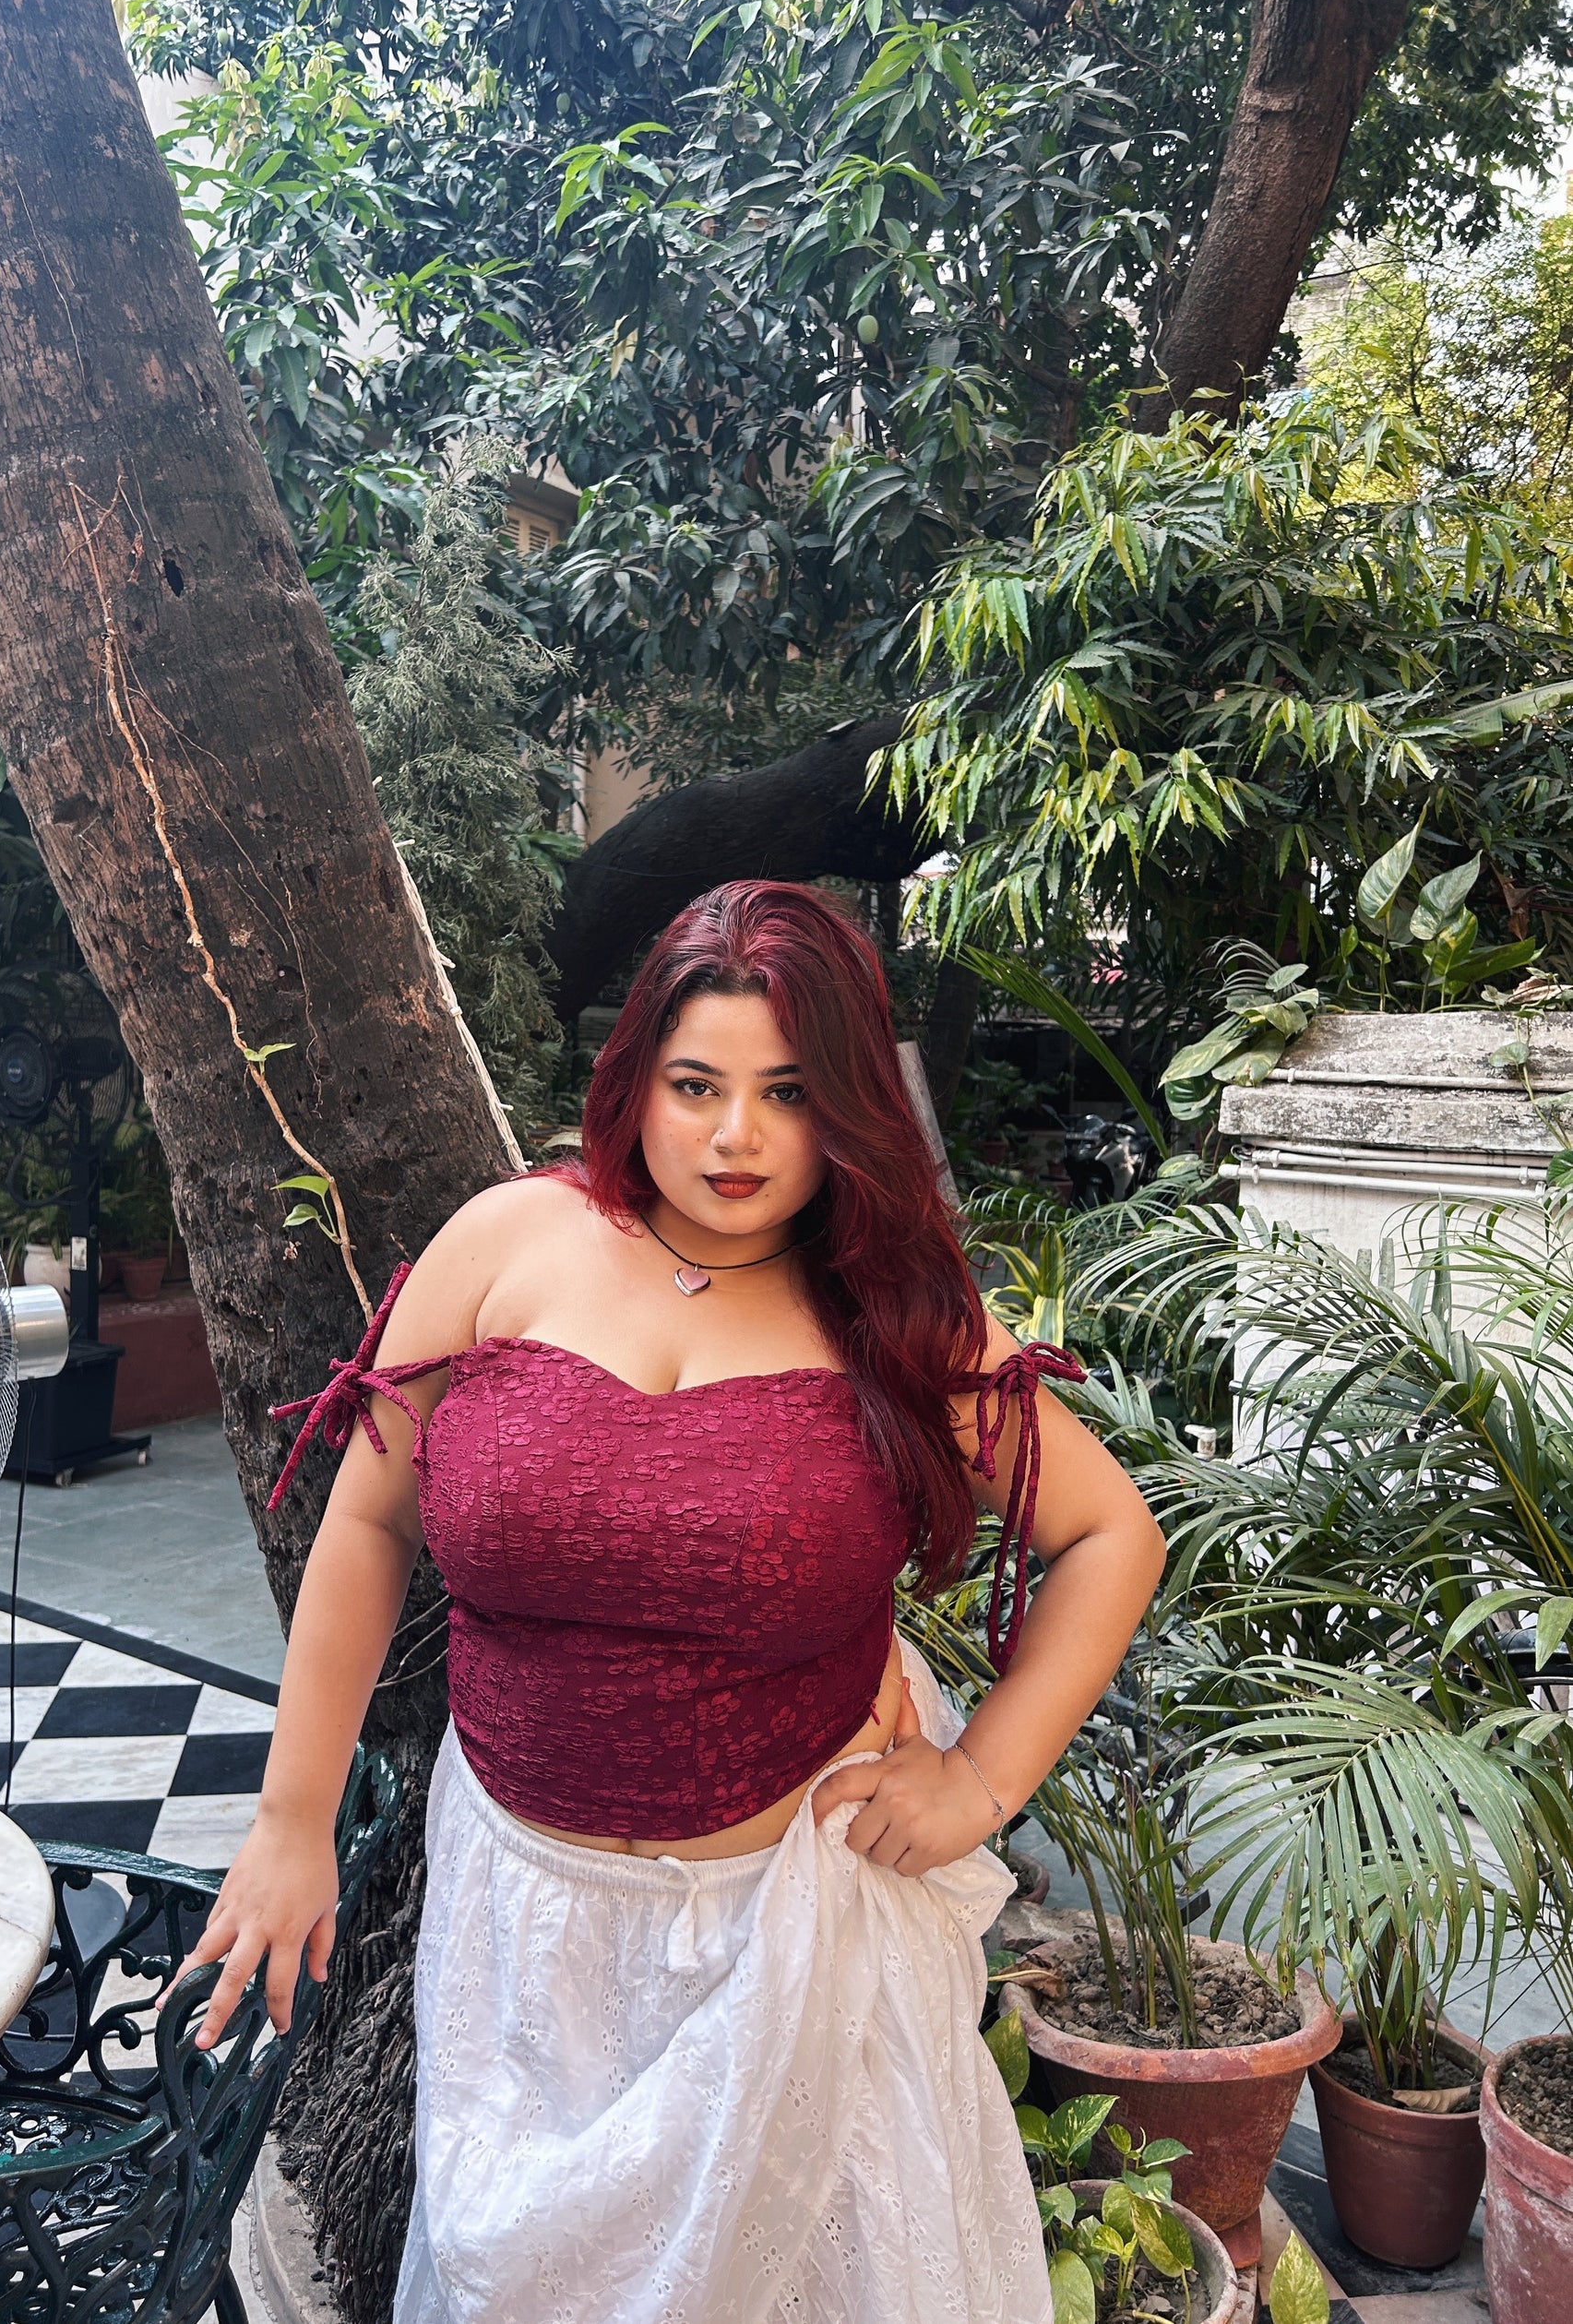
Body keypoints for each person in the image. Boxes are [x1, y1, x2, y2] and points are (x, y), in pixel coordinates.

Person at [188, 880, 1165, 2324]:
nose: (735, 1138)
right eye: (695, 1084)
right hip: (519, 1927)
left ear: (848, 1108)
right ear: (633, 1073)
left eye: (788, 1093)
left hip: (790, 1934)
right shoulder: (505, 1241)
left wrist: (976, 1780)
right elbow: (370, 1519)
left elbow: (1106, 1536)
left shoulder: (901, 1312)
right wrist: (288, 1822)